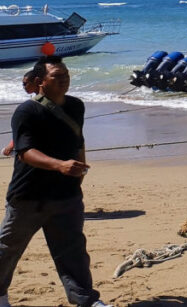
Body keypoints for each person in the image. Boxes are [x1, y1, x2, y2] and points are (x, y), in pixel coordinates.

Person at [0, 56, 110, 307]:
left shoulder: (76, 106)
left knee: (73, 251)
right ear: (40, 82)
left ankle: (86, 300)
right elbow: (26, 153)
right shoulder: (26, 111)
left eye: (66, 75)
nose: (64, 80)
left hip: (67, 196)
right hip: (29, 196)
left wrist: (79, 171)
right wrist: (60, 165)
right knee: (8, 249)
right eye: (57, 76)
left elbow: (78, 141)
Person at [3, 69, 42, 157]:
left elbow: (26, 129)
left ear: (36, 81)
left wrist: (12, 144)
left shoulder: (36, 104)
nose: (24, 87)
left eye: (25, 83)